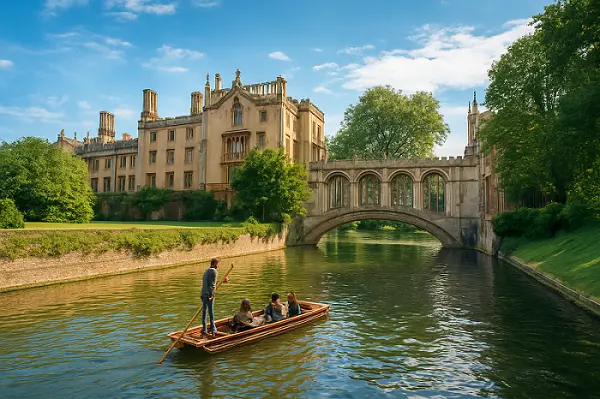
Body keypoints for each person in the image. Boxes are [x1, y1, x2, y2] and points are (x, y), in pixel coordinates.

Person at [200, 258, 228, 335]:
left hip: (203, 293)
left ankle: (204, 330)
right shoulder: (214, 271)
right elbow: (212, 285)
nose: (219, 265)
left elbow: (208, 283)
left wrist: (222, 281)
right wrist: (212, 295)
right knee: (211, 312)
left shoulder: (206, 271)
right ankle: (214, 330)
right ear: (215, 264)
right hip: (209, 294)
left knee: (204, 312)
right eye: (219, 263)